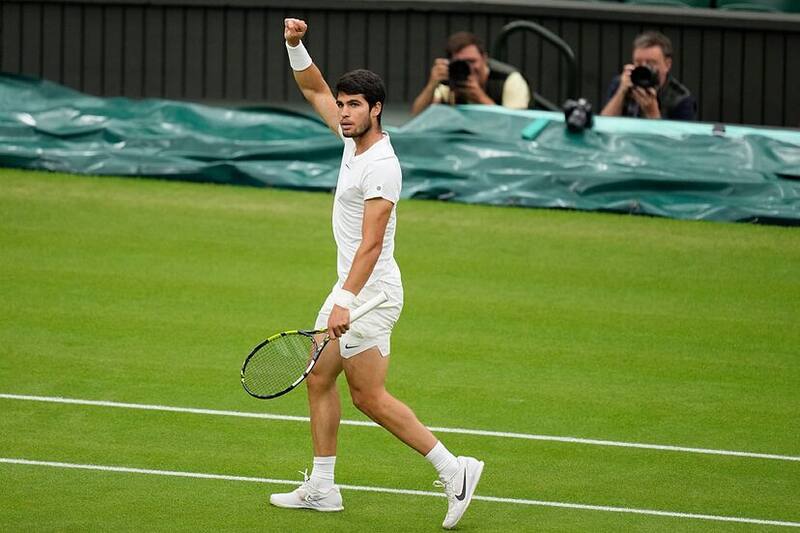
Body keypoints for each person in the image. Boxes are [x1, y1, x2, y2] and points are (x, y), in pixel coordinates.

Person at [270, 18, 485, 530]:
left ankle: (455, 470)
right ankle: (323, 487)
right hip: (351, 288)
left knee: (368, 396)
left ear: (376, 109)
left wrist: (345, 299)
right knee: (318, 376)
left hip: (369, 294)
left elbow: (371, 244)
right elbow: (313, 86)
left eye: (353, 105)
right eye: (342, 105)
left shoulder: (382, 166)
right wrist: (295, 45)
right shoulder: (351, 141)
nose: (343, 112)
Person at [411, 31, 530, 116]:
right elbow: (417, 115)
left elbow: (515, 124)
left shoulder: (510, 79)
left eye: (472, 61)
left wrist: (481, 98)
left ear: (484, 58)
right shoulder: (451, 77)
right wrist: (432, 85)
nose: (468, 67)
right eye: (461, 63)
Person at [600, 31, 697, 121]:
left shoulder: (681, 99)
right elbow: (604, 124)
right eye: (638, 62)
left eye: (651, 63)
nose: (643, 68)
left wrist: (652, 113)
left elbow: (680, 138)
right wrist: (621, 92)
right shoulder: (621, 83)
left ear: (667, 64)